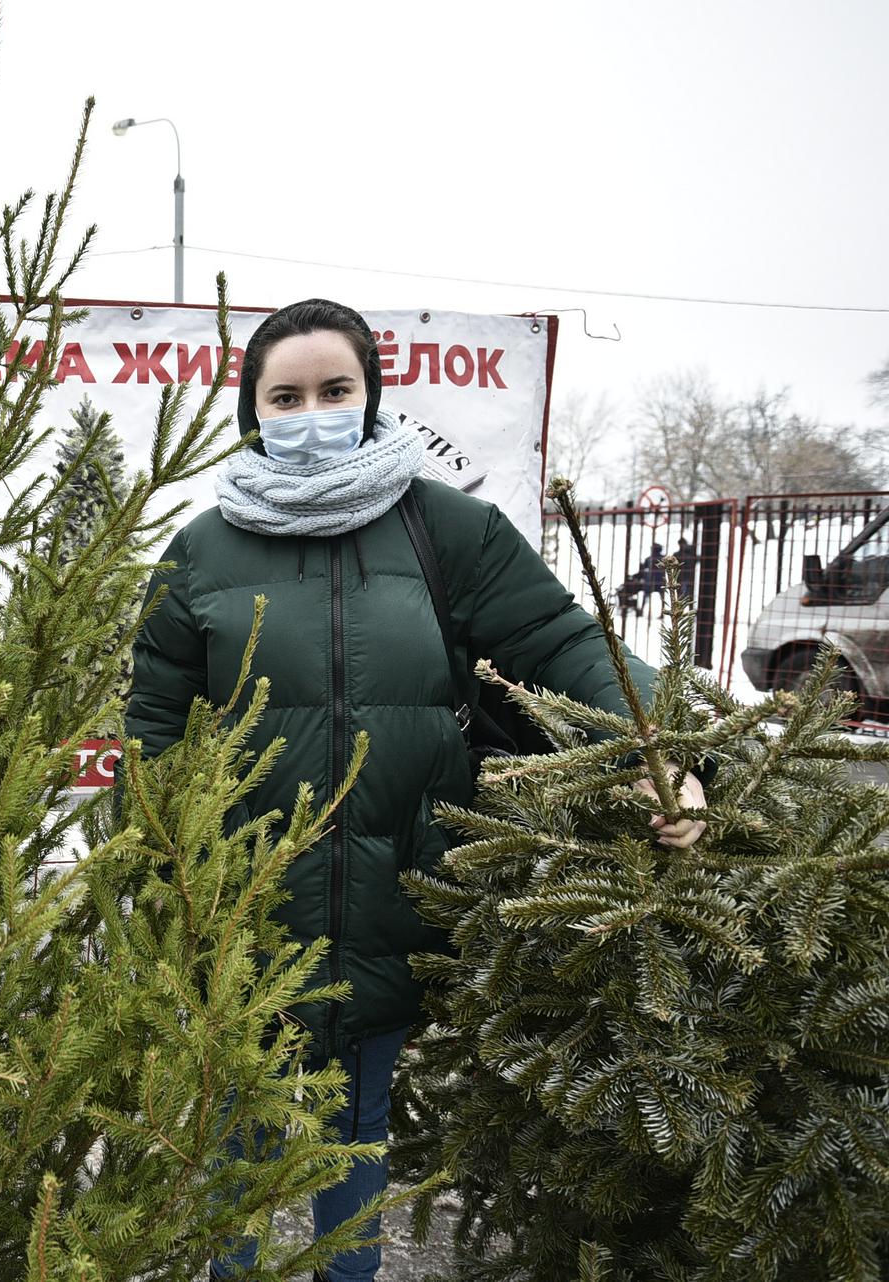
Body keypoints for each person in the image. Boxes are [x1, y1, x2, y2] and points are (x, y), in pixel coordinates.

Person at [124, 298, 707, 1282]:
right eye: (288, 395)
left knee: (357, 1142)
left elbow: (565, 643)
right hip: (238, 914)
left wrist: (668, 751)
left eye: (335, 389)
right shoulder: (200, 552)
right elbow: (151, 730)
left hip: (394, 900)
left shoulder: (448, 531)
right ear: (253, 411)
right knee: (237, 1146)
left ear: (371, 393)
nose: (314, 409)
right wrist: (155, 888)